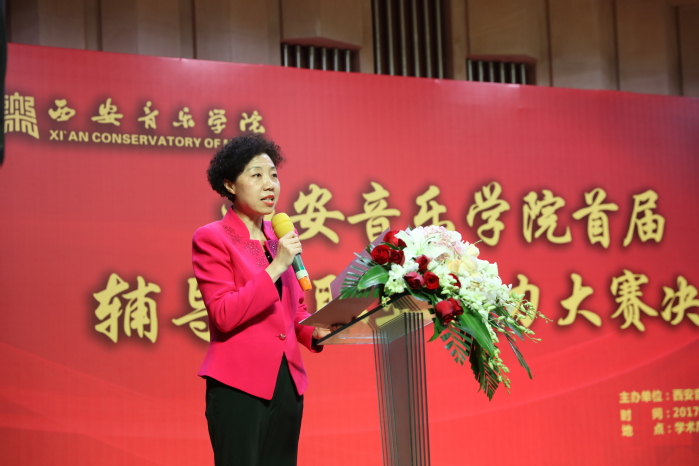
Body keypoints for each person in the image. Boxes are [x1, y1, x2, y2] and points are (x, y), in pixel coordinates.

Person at [192, 134, 329, 466]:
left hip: (287, 381)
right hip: (238, 384)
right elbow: (223, 313)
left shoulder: (278, 238)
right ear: (230, 185)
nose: (270, 184)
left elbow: (293, 310)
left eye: (273, 175)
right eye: (256, 175)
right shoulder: (212, 238)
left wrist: (316, 330)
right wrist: (277, 266)